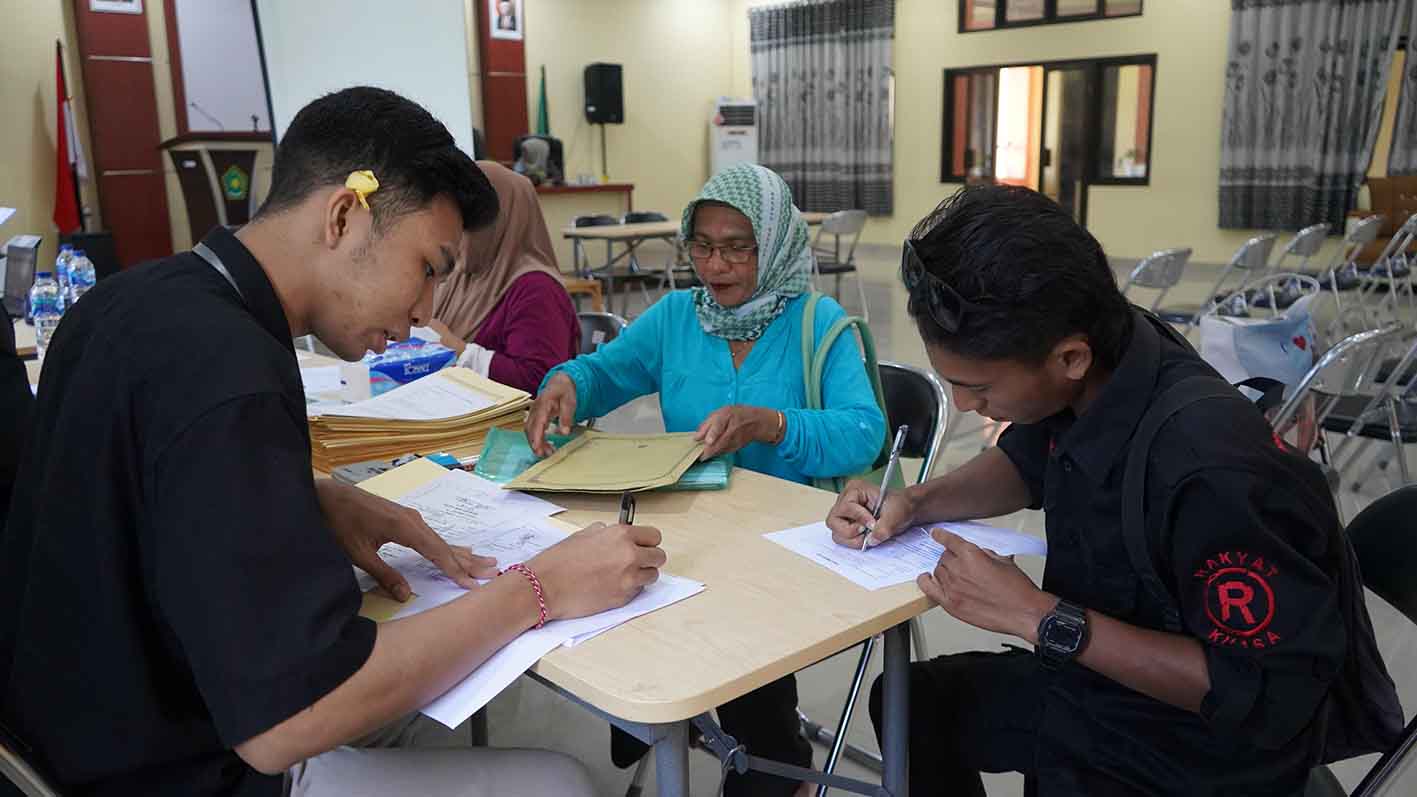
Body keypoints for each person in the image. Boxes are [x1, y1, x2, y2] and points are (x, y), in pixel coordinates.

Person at [0, 86, 666, 797]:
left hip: (58, 733)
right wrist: (540, 588)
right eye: (428, 268)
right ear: (345, 215)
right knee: (560, 782)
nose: (422, 314)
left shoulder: (124, 300)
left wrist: (304, 496)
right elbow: (283, 724)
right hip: (173, 765)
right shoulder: (231, 371)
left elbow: (123, 486)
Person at [825, 184, 1380, 796]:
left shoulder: (1212, 471)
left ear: (1069, 357)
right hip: (1106, 681)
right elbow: (1027, 461)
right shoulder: (1109, 355)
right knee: (914, 704)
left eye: (977, 386)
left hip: (1204, 749)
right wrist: (917, 502)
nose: (962, 404)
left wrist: (1037, 616)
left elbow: (1261, 693)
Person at [525, 162, 886, 796]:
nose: (715, 266)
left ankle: (770, 764)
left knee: (724, 635)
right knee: (619, 588)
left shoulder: (817, 323)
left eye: (737, 248)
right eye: (703, 246)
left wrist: (774, 424)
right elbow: (606, 374)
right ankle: (678, 725)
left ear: (772, 243)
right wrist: (566, 383)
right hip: (698, 526)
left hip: (791, 540)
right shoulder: (676, 318)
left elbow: (863, 431)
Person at [427, 160, 578, 393]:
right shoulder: (464, 272)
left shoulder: (537, 290)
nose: (459, 233)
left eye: (469, 221)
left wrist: (459, 351)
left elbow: (542, 380)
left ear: (503, 220)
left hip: (510, 425)